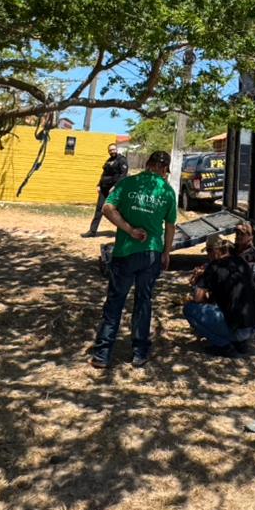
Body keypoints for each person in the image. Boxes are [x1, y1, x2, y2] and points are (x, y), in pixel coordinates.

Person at [90, 150, 177, 369]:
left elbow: (108, 208)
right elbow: (170, 226)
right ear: (165, 169)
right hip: (151, 253)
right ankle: (139, 352)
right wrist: (166, 252)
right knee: (143, 302)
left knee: (115, 301)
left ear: (148, 163)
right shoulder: (167, 191)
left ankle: (102, 354)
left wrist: (129, 229)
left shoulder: (128, 183)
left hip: (124, 252)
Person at [184, 236, 255, 357]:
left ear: (215, 250)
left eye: (209, 251)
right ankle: (240, 342)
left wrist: (198, 280)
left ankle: (224, 345)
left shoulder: (214, 267)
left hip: (239, 328)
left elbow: (198, 298)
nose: (208, 255)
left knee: (189, 309)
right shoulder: (241, 261)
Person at [84, 142, 130, 237]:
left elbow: (123, 175)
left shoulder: (121, 160)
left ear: (117, 150)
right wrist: (99, 184)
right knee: (99, 209)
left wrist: (115, 187)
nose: (112, 151)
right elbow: (104, 174)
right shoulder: (108, 161)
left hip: (115, 189)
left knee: (119, 211)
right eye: (110, 150)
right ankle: (92, 231)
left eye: (113, 149)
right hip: (104, 189)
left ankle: (126, 231)